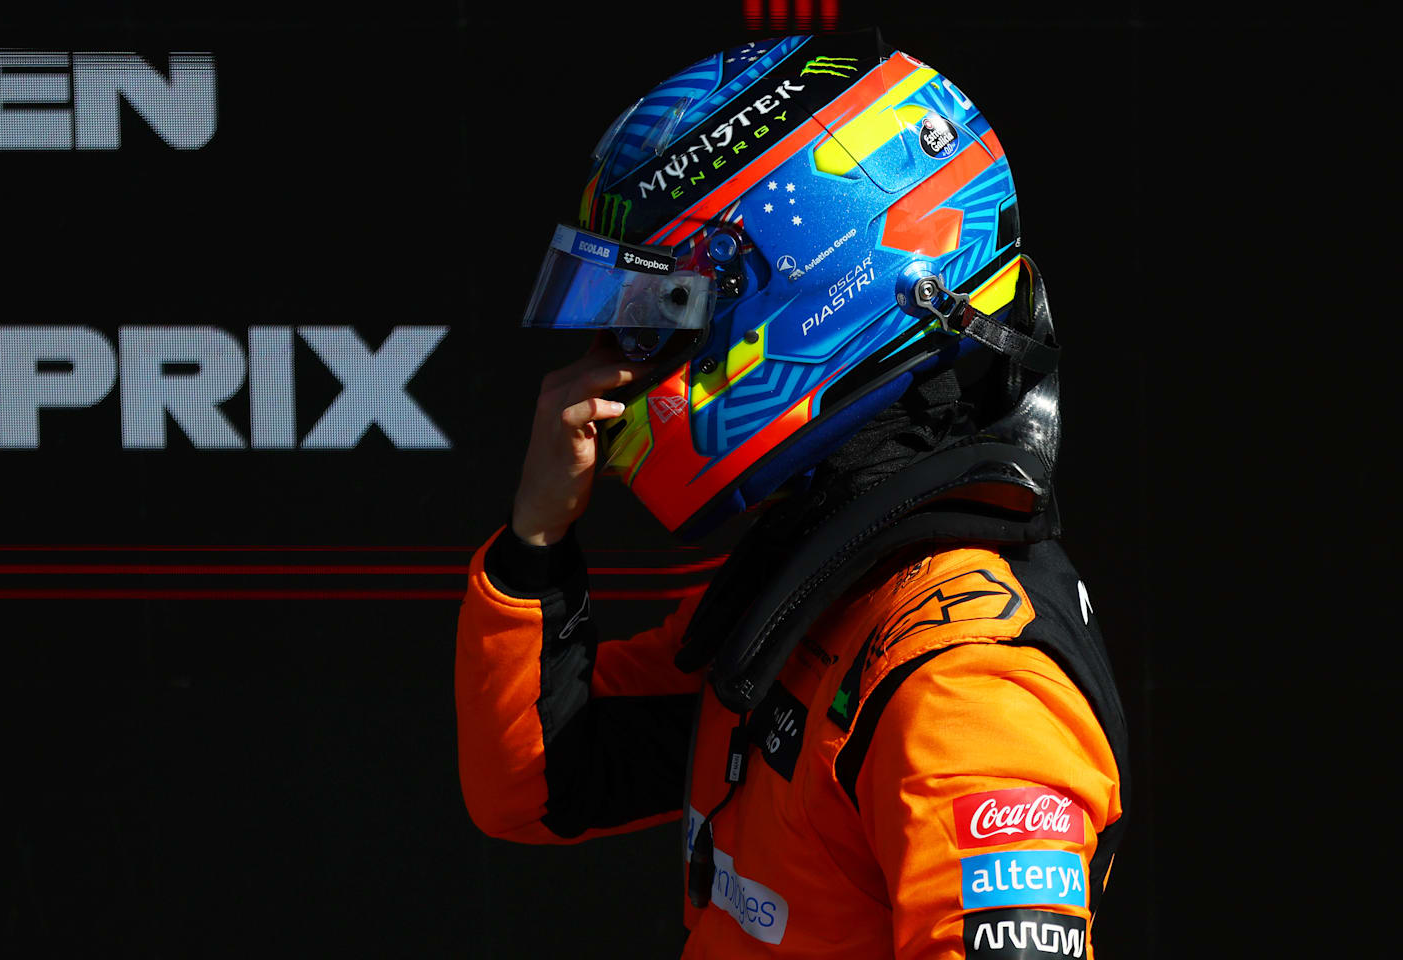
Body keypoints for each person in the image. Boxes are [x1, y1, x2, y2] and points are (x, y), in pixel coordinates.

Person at [456, 29, 1129, 959]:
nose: (607, 371)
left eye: (655, 320)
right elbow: (535, 783)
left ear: (808, 292)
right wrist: (537, 538)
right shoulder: (819, 588)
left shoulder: (967, 679)